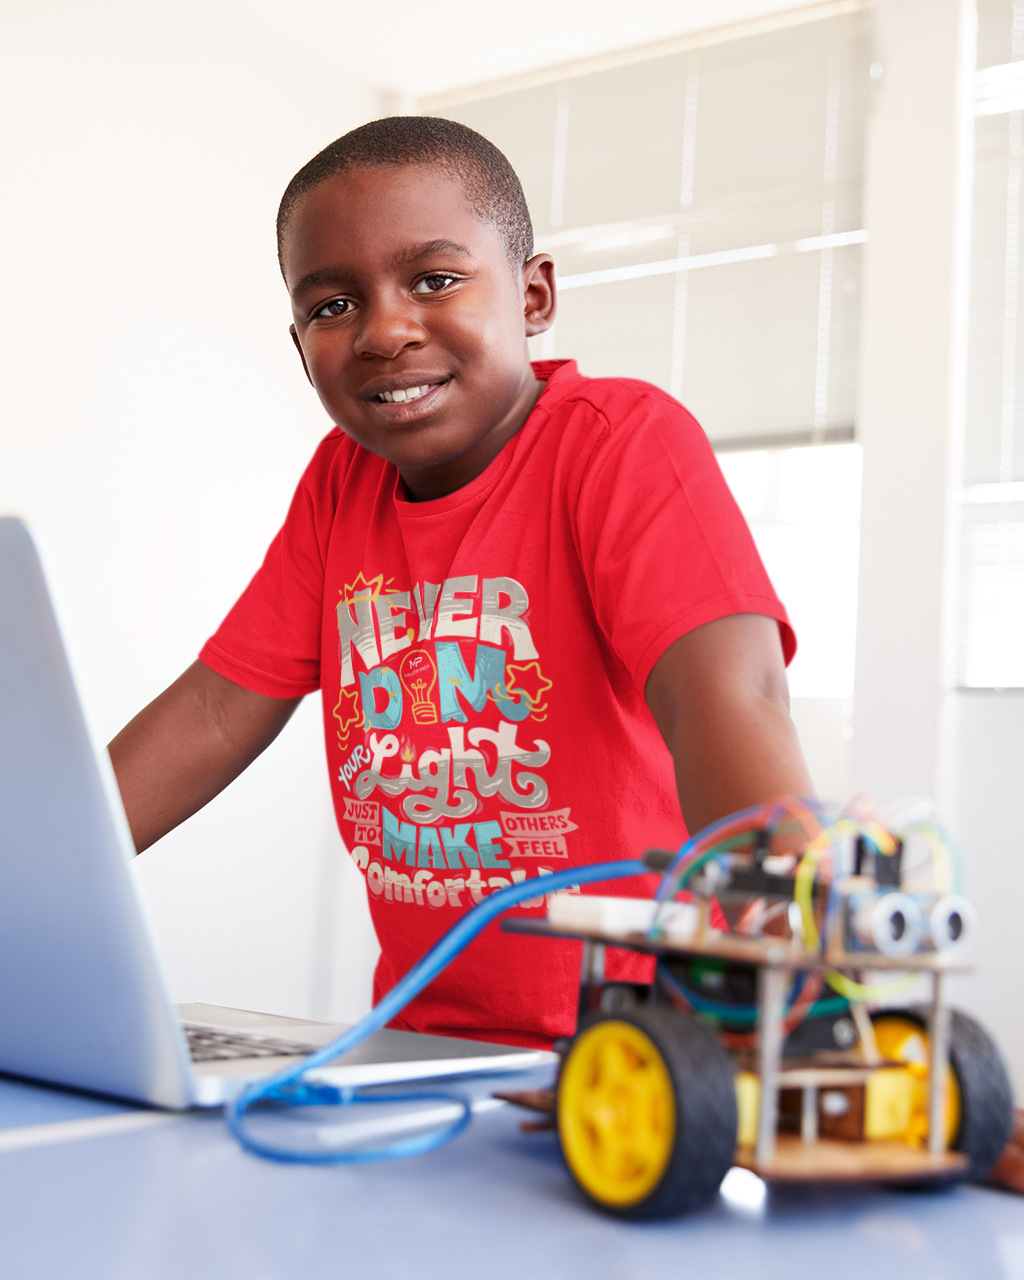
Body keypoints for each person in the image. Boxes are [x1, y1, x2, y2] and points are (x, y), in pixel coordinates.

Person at [108, 116, 812, 1050]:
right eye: (333, 306)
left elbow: (728, 696)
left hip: (647, 1052)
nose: (384, 331)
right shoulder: (340, 484)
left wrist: (785, 957)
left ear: (532, 294)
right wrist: (37, 861)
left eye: (434, 281)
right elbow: (215, 710)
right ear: (299, 345)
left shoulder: (619, 442)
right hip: (424, 1047)